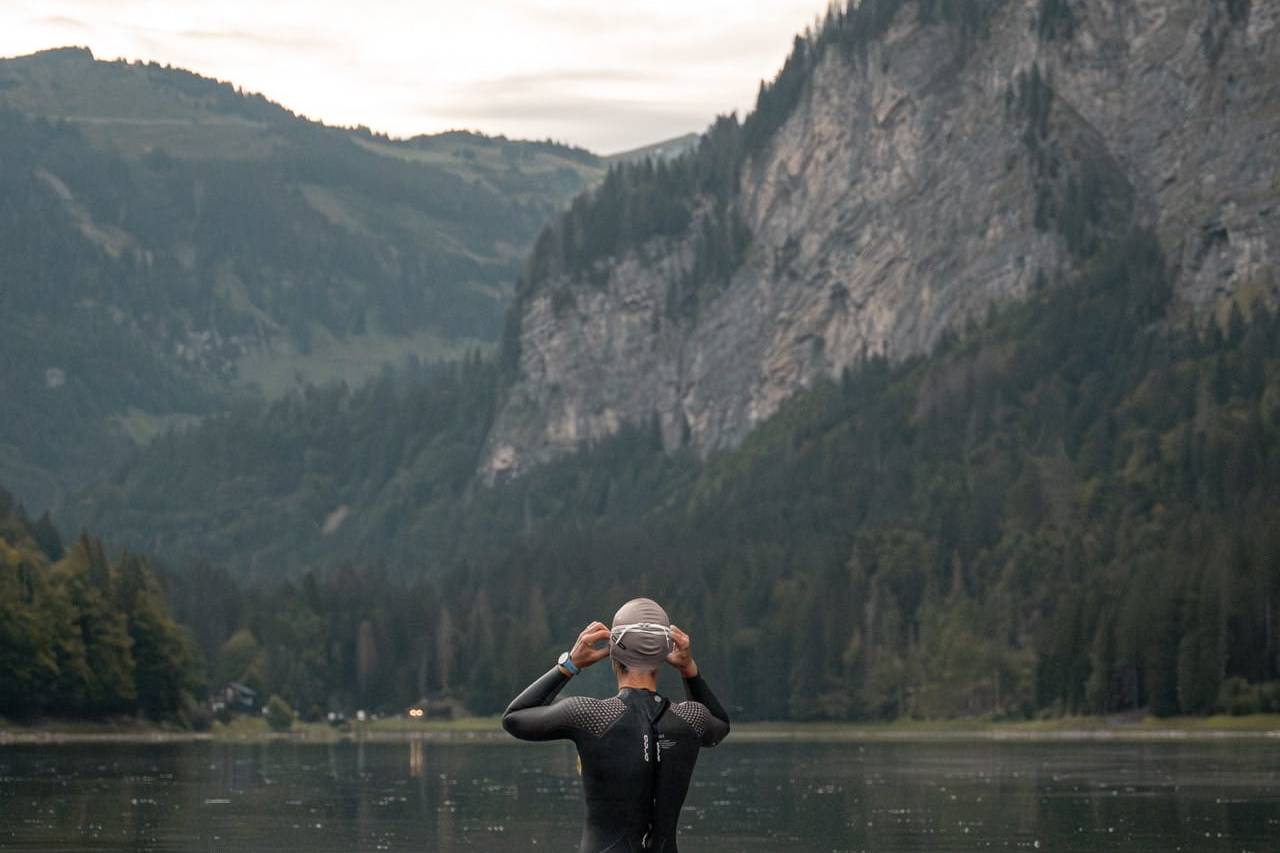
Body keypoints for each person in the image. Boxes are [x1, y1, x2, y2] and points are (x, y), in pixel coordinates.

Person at [502, 597, 730, 852]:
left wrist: (569, 665)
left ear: (614, 653)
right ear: (665, 654)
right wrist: (689, 669)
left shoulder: (592, 715)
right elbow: (719, 725)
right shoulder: (690, 719)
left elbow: (515, 718)